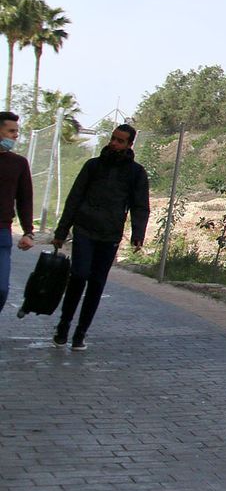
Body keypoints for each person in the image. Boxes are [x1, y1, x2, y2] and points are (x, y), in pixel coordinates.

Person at [51, 123, 149, 350]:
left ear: (129, 145)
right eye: (113, 138)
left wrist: (138, 233)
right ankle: (63, 326)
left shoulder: (135, 173)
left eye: (120, 141)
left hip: (110, 234)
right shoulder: (93, 166)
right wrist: (61, 231)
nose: (114, 143)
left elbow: (140, 205)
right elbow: (74, 199)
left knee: (96, 283)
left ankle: (80, 333)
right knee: (79, 275)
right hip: (85, 229)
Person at [0, 111, 37, 312]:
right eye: (11, 131)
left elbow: (25, 200)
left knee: (1, 289)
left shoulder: (18, 163)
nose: (15, 135)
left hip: (2, 233)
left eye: (17, 131)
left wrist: (28, 231)